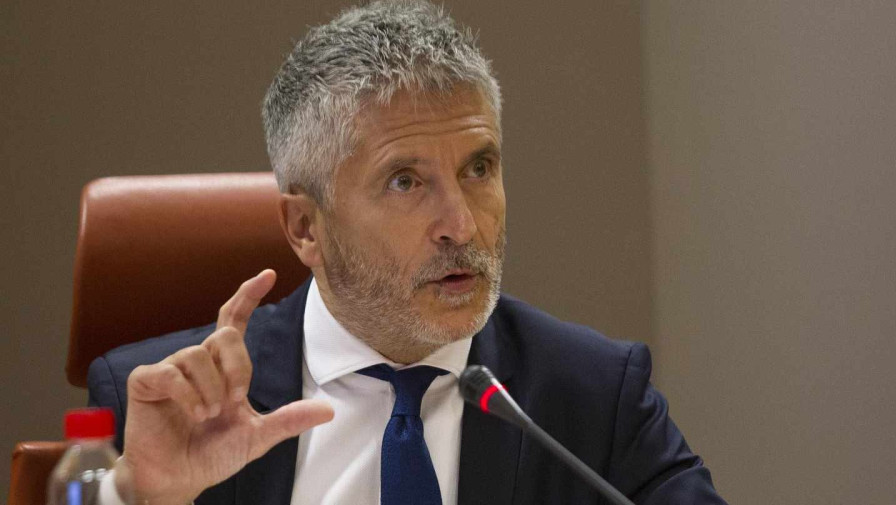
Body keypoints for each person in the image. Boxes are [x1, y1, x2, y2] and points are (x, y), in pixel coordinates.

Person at [88, 1, 727, 504]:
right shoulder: (161, 409)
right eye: (405, 182)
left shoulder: (592, 397)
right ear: (306, 227)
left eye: (479, 168)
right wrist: (145, 501)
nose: (462, 225)